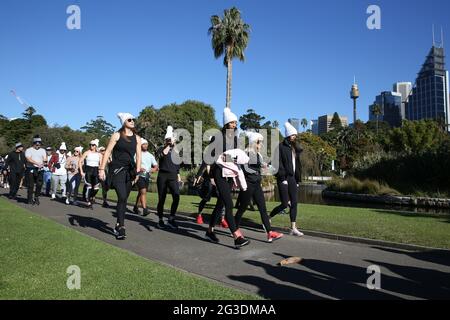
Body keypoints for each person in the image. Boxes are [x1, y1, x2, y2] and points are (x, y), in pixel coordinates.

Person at [194, 108, 250, 248]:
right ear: (226, 123)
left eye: (235, 123)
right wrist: (199, 173)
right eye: (232, 122)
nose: (234, 125)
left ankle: (209, 231)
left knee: (220, 204)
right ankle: (237, 236)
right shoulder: (217, 137)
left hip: (231, 174)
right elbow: (209, 156)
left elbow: (236, 156)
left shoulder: (236, 139)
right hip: (219, 172)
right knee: (229, 204)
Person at [234, 132, 283, 243]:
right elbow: (245, 168)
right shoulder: (246, 153)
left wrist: (265, 167)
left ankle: (270, 233)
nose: (261, 145)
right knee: (242, 208)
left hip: (256, 184)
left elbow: (259, 168)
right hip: (248, 184)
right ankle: (234, 228)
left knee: (263, 208)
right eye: (260, 143)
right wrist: (260, 166)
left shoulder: (258, 155)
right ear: (254, 143)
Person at [99, 113, 141, 240]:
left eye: (133, 119)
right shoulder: (116, 135)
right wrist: (102, 168)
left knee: (123, 199)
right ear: (124, 122)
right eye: (129, 119)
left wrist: (137, 172)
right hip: (117, 170)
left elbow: (139, 156)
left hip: (130, 171)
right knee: (122, 196)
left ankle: (118, 224)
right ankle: (122, 227)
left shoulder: (137, 138)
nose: (132, 121)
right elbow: (107, 152)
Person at [269, 122, 304, 237]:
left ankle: (293, 228)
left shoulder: (295, 148)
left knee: (294, 203)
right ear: (288, 135)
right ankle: (268, 217)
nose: (295, 137)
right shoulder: (280, 147)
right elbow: (277, 163)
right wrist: (282, 177)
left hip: (293, 178)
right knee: (284, 204)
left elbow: (298, 165)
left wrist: (297, 180)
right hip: (283, 178)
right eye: (293, 135)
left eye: (295, 135)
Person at [155, 126, 182, 229]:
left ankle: (171, 218)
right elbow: (161, 155)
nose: (169, 141)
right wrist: (168, 145)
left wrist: (178, 175)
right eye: (167, 139)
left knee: (176, 196)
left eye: (171, 139)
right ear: (165, 140)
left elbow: (177, 164)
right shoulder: (161, 149)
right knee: (162, 198)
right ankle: (160, 219)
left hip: (173, 176)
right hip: (162, 175)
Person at [133, 138, 158, 216]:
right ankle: (145, 209)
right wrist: (139, 168)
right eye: (144, 144)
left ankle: (136, 207)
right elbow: (133, 163)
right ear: (140, 145)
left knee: (141, 192)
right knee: (143, 191)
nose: (145, 145)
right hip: (139, 175)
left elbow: (156, 165)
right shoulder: (137, 154)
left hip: (147, 176)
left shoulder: (150, 155)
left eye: (146, 144)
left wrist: (154, 169)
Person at [79, 139, 102, 209]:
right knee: (89, 187)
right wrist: (81, 171)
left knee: (96, 188)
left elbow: (101, 164)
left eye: (93, 145)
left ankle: (91, 197)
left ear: (96, 146)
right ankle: (89, 202)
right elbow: (80, 161)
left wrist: (101, 172)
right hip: (88, 170)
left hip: (96, 170)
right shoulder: (86, 152)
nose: (91, 146)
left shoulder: (99, 154)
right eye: (90, 145)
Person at [25, 135, 47, 205]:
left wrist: (43, 163)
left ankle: (36, 197)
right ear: (34, 143)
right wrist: (37, 163)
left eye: (39, 144)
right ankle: (29, 198)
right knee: (31, 185)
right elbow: (28, 159)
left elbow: (45, 158)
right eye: (37, 144)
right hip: (31, 168)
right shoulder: (29, 150)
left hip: (40, 169)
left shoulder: (43, 150)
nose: (38, 146)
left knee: (39, 184)